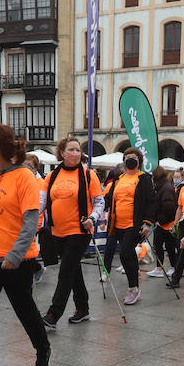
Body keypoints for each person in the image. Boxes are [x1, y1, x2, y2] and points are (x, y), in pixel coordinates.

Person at [0, 123, 49, 366]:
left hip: (16, 261)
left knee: (24, 310)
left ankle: (43, 348)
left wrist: (15, 255)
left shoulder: (24, 176)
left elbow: (31, 221)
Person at [40, 136, 103, 327]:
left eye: (78, 150)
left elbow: (99, 201)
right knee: (73, 270)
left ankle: (53, 314)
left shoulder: (88, 175)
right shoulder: (52, 176)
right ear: (62, 153)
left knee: (66, 271)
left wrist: (92, 218)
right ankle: (83, 309)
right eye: (72, 149)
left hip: (79, 231)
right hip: (57, 232)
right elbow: (41, 202)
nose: (76, 153)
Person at [102, 148, 155, 304]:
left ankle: (133, 288)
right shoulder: (119, 179)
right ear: (124, 160)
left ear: (139, 160)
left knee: (125, 252)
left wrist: (147, 222)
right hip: (117, 224)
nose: (130, 159)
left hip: (134, 224)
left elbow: (151, 202)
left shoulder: (143, 178)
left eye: (134, 157)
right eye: (127, 157)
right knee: (128, 255)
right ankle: (134, 284)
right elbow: (109, 198)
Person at [147, 165, 179, 279]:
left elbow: (169, 206)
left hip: (166, 223)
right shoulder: (164, 187)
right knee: (165, 246)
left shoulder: (165, 188)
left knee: (163, 246)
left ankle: (165, 268)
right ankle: (167, 267)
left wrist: (160, 219)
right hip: (165, 222)